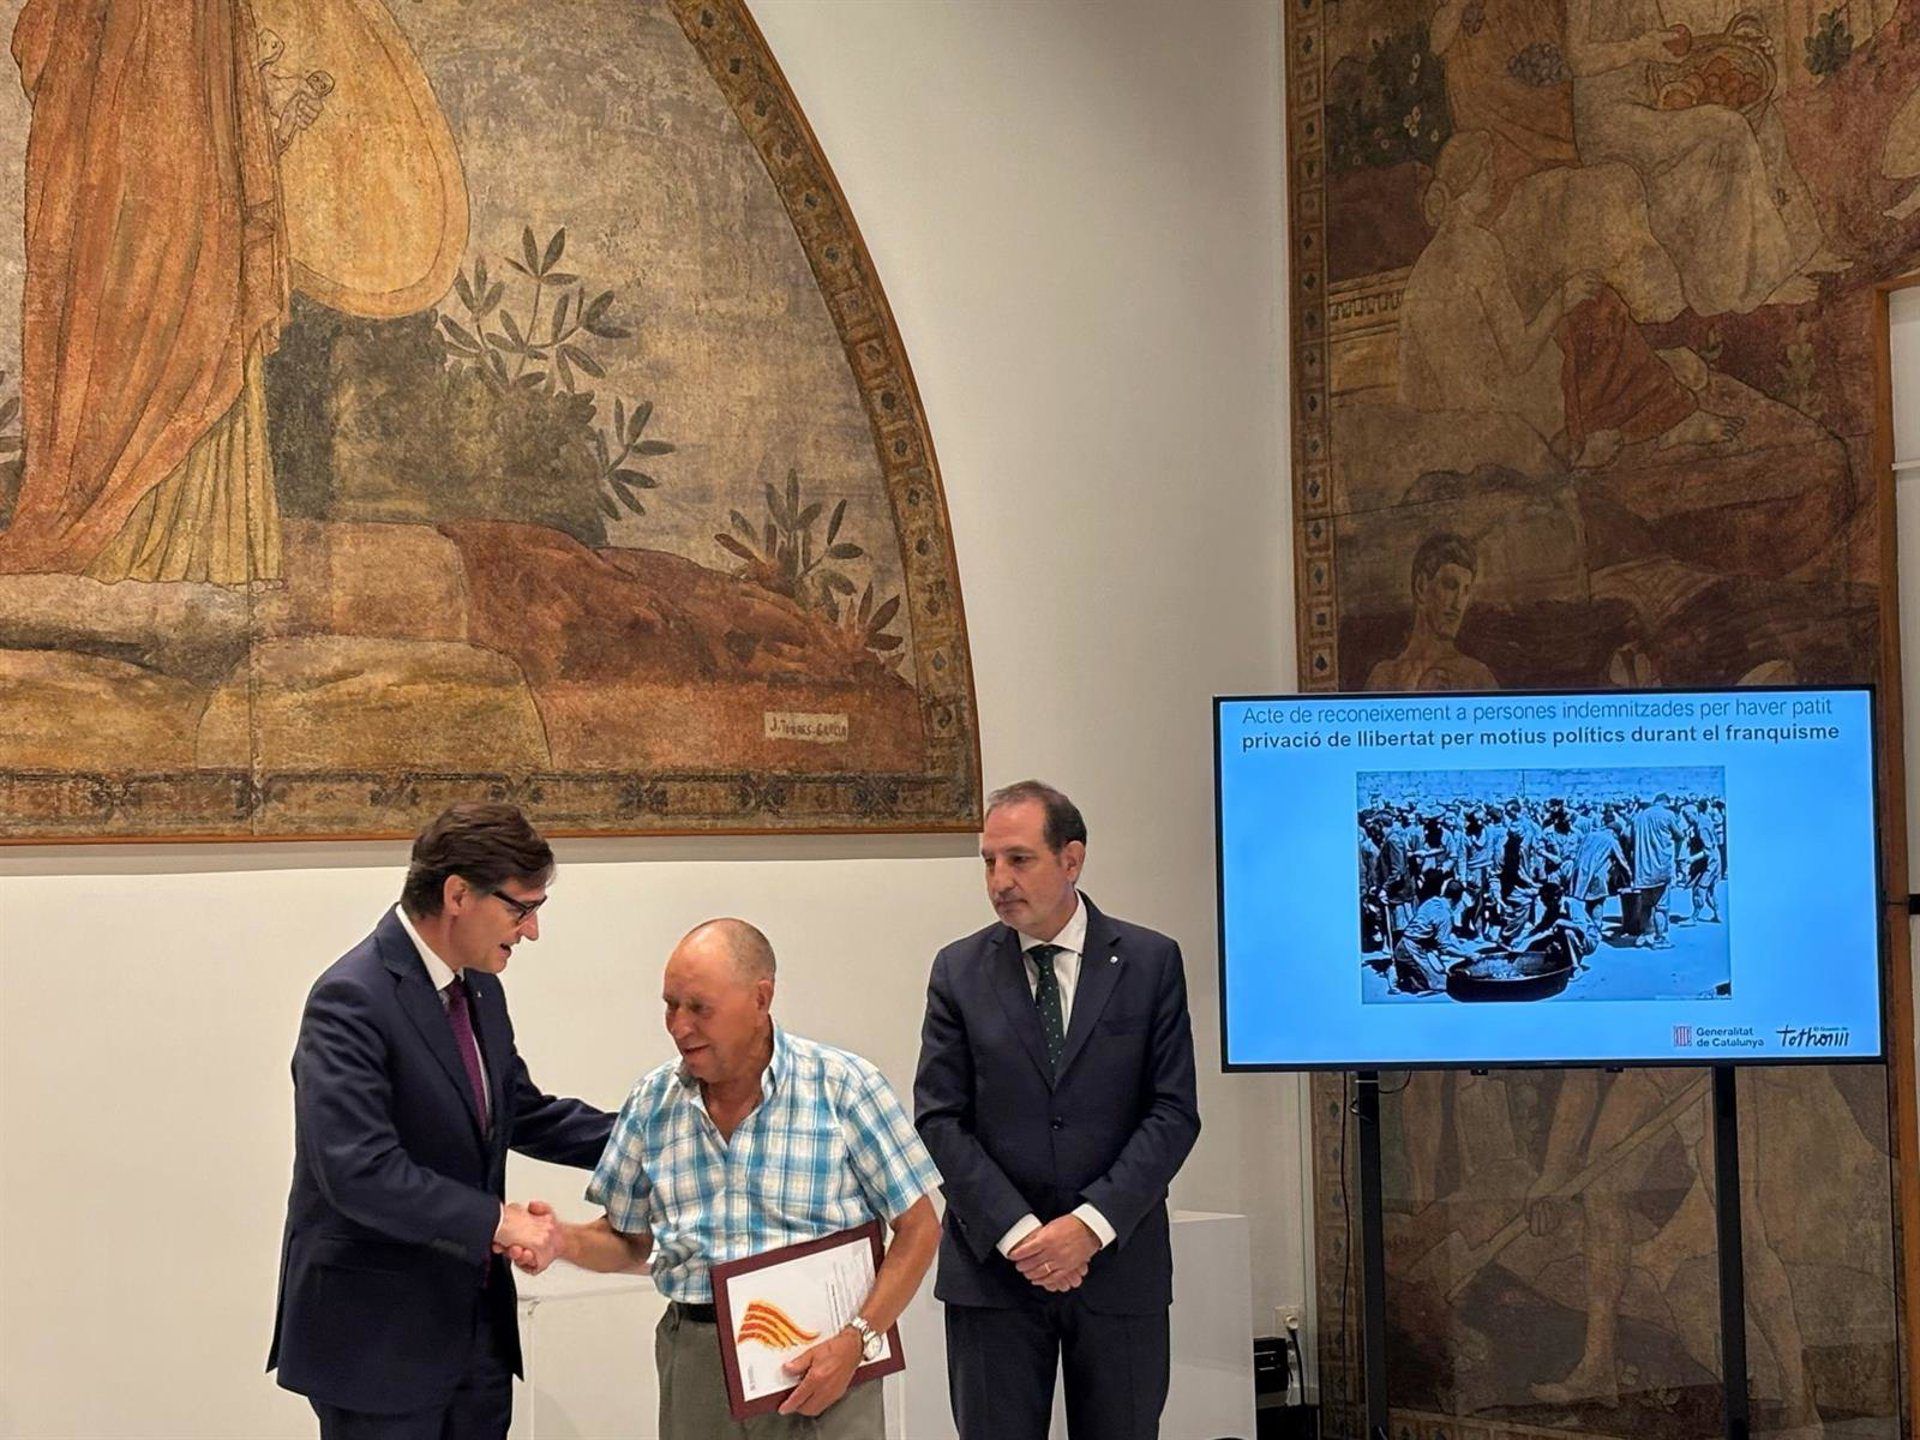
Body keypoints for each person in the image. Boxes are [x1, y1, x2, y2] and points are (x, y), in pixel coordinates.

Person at [268, 802, 615, 1439]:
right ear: (458, 895)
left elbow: (520, 1111)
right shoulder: (350, 999)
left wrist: (651, 1138)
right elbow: (358, 1171)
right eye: (521, 909)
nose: (532, 931)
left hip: (475, 1333)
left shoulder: (478, 987)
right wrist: (498, 1221)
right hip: (377, 1341)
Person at [553, 918, 941, 1440]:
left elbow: (920, 1227)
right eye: (670, 1005)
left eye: (699, 1008)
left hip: (826, 1369)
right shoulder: (652, 1102)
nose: (679, 1026)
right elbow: (628, 1241)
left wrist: (858, 1339)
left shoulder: (844, 1087)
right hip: (698, 1362)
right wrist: (559, 1240)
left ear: (761, 999)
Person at [915, 781, 1201, 1440]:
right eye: (989, 862)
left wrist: (1089, 1226)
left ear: (1072, 859)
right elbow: (939, 1118)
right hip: (995, 1272)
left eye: (1019, 859)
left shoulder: (1150, 961)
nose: (999, 880)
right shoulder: (958, 970)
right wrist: (1020, 1234)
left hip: (1118, 1263)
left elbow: (1172, 1111)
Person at [1364, 532, 1500, 692]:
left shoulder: (1477, 676)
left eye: (1466, 591)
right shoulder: (1383, 676)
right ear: (1421, 587)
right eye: (1450, 585)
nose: (1458, 604)